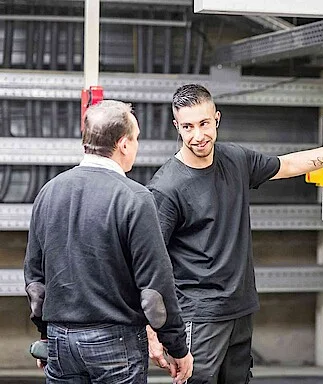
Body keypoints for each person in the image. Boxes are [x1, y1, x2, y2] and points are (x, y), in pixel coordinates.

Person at [145, 84, 323, 383]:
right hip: (199, 315)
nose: (197, 135)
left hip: (240, 309)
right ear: (177, 126)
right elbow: (149, 265)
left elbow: (289, 163)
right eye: (188, 127)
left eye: (203, 123)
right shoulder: (166, 187)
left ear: (216, 118)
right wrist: (153, 333)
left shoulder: (235, 159)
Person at [23, 100, 194, 384]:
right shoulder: (134, 198)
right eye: (136, 138)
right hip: (116, 342)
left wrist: (47, 333)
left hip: (60, 340)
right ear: (123, 144)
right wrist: (177, 346)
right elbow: (155, 291)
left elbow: (35, 281)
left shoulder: (49, 192)